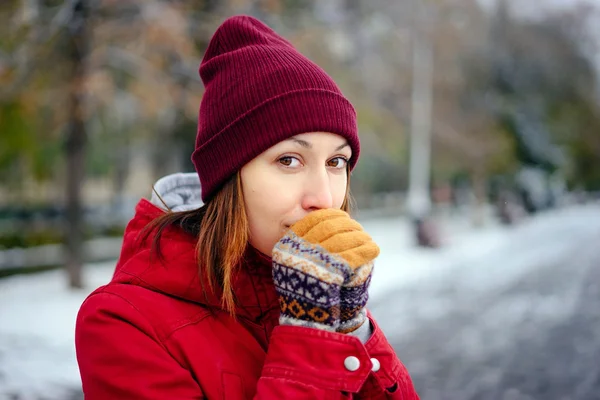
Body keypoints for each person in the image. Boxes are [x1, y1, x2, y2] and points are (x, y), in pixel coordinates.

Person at [75, 15, 420, 399]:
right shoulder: (121, 324)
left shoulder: (314, 287)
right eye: (289, 160)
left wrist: (351, 327)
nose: (323, 198)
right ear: (228, 176)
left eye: (336, 162)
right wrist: (311, 336)